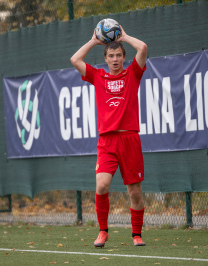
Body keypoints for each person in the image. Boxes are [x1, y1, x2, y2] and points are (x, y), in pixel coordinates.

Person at [70, 25, 147, 248]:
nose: (115, 59)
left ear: (124, 57)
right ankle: (103, 232)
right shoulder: (98, 75)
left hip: (130, 139)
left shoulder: (133, 73)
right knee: (101, 185)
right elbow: (75, 59)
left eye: (119, 55)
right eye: (111, 56)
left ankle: (136, 234)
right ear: (105, 58)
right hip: (107, 141)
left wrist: (124, 37)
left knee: (134, 192)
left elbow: (142, 47)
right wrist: (94, 41)